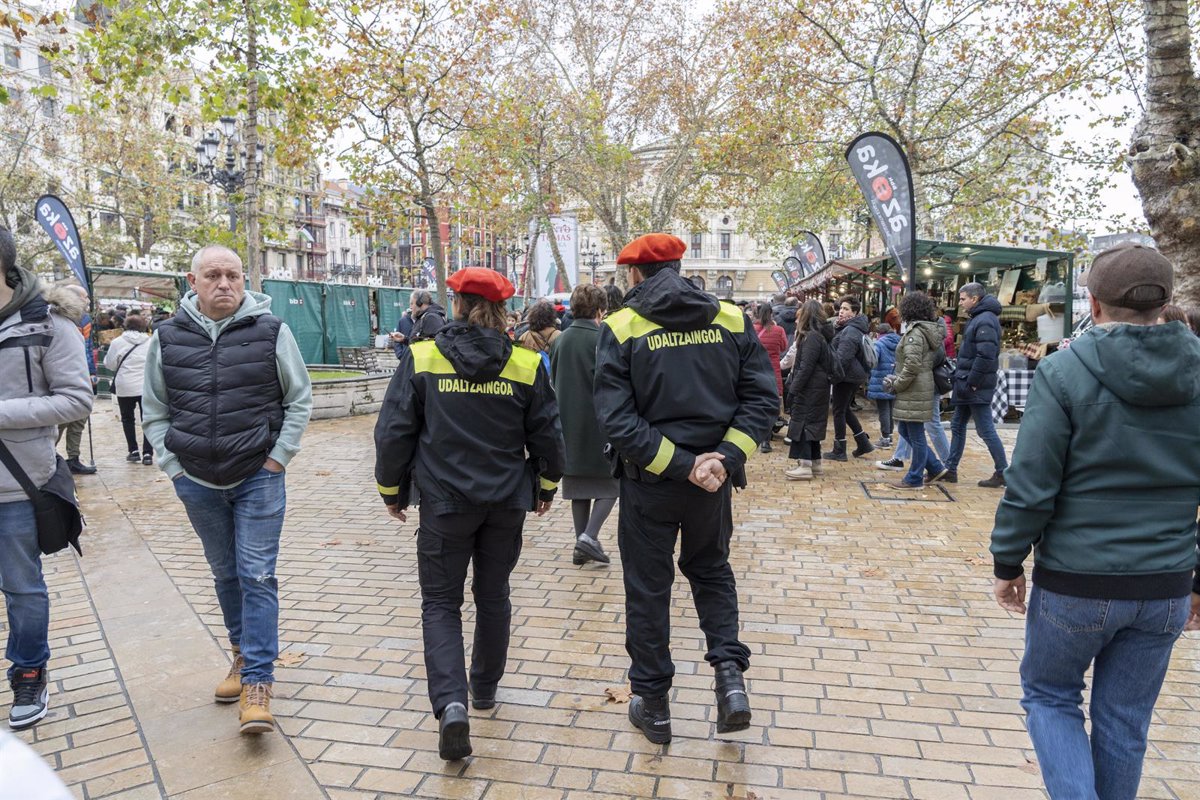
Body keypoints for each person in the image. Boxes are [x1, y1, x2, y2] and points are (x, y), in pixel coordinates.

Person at [990, 243, 1200, 799]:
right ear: (1167, 301)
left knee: (1051, 697)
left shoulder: (1063, 371)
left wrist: (1007, 561)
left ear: (1095, 303)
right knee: (1125, 721)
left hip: (1077, 582)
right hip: (1164, 585)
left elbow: (1031, 485)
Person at [593, 233, 777, 744]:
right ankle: (730, 682)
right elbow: (762, 401)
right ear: (680, 265)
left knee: (648, 590)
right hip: (712, 483)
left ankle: (653, 706)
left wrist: (680, 464)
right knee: (711, 572)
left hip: (651, 481)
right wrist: (723, 458)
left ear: (634, 275)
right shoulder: (731, 318)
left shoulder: (622, 327)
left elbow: (617, 420)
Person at [374, 267, 563, 761]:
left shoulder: (421, 356)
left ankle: (452, 704)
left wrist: (391, 490)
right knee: (493, 593)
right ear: (504, 309)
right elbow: (548, 434)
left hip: (444, 502)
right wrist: (545, 486)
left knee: (441, 604)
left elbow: (394, 431)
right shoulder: (526, 362)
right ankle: (483, 689)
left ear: (455, 304)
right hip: (505, 501)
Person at [142, 245, 313, 735]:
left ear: (245, 280)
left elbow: (299, 399)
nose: (224, 284)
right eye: (212, 275)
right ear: (191, 282)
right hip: (195, 478)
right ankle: (240, 656)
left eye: (233, 275)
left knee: (256, 574)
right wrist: (172, 465)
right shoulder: (167, 336)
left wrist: (279, 458)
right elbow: (155, 409)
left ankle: (259, 682)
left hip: (259, 475)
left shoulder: (271, 331)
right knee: (225, 574)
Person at [0, 228, 93, 729]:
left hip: (15, 485)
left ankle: (29, 672)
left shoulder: (47, 324)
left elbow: (77, 399)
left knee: (22, 589)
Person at [550, 284, 617, 566]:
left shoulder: (560, 340)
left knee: (578, 488)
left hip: (568, 423)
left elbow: (553, 378)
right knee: (612, 486)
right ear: (601, 310)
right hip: (599, 424)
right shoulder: (603, 338)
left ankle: (582, 545)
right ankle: (588, 537)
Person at [943, 282, 1006, 487]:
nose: (960, 303)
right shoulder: (980, 318)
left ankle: (1003, 471)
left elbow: (985, 355)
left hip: (973, 384)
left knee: (985, 429)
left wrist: (972, 382)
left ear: (974, 299)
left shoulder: (985, 320)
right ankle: (951, 469)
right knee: (958, 425)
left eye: (962, 299)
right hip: (967, 382)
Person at [884, 292, 949, 489]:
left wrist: (897, 384)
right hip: (919, 385)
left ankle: (914, 477)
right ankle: (935, 467)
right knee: (906, 429)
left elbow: (912, 365)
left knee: (915, 433)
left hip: (914, 387)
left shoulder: (915, 333)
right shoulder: (926, 330)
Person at [783, 300, 833, 481]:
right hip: (818, 387)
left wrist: (793, 390)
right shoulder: (819, 335)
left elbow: (805, 367)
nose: (796, 320)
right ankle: (815, 462)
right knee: (812, 423)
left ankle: (805, 465)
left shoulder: (811, 337)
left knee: (804, 424)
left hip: (810, 388)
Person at [824, 295, 874, 460]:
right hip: (852, 375)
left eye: (846, 309)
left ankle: (840, 449)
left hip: (847, 376)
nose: (841, 312)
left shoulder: (851, 330)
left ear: (855, 312)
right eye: (840, 309)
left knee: (838, 410)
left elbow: (842, 358)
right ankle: (863, 443)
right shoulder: (849, 327)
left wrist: (832, 376)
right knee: (844, 409)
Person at [55, 284, 97, 475]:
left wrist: (91, 372)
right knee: (60, 420)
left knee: (79, 418)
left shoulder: (85, 318)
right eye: (84, 297)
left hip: (79, 374)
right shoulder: (55, 317)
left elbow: (87, 348)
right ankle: (49, 456)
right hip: (63, 375)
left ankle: (73, 457)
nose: (87, 300)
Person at [103, 315, 153, 464]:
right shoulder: (150, 342)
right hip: (145, 385)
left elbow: (110, 364)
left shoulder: (117, 342)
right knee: (147, 419)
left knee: (127, 418)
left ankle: (133, 450)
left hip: (125, 386)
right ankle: (148, 453)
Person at [753, 303, 788, 453]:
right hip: (773, 371)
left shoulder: (752, 329)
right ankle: (767, 440)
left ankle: (758, 438)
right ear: (772, 313)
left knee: (756, 404)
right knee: (770, 405)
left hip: (755, 370)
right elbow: (783, 347)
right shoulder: (778, 330)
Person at [867, 322, 899, 448]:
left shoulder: (879, 343)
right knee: (890, 409)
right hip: (894, 379)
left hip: (881, 381)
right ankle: (889, 435)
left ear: (879, 333)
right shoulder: (899, 342)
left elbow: (873, 360)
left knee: (883, 410)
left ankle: (885, 437)